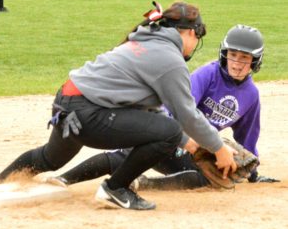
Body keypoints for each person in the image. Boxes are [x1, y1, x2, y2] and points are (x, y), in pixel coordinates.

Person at [0, 1, 237, 210]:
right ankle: (115, 188)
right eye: (198, 37)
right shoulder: (170, 58)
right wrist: (218, 148)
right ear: (191, 32)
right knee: (170, 130)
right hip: (88, 113)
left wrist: (189, 143)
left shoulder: (144, 41)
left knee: (48, 158)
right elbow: (186, 115)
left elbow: (142, 109)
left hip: (67, 103)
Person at [39, 24, 279, 190]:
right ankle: (63, 179)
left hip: (200, 149)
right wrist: (183, 139)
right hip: (172, 133)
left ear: (255, 62)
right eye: (233, 55)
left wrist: (253, 173)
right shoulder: (209, 74)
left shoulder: (251, 95)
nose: (236, 63)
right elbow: (180, 109)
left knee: (210, 178)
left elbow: (248, 137)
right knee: (126, 156)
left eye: (244, 58)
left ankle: (144, 184)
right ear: (223, 54)